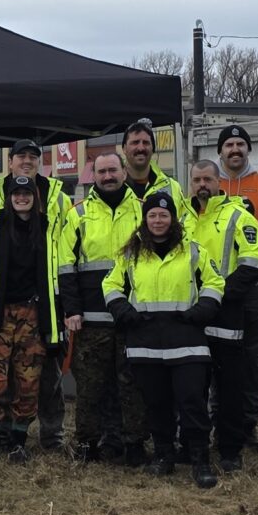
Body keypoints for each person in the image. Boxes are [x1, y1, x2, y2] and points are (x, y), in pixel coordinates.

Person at [0, 141, 77, 449]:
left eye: (33, 157)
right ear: (10, 161)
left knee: (36, 380)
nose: (27, 161)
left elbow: (68, 253)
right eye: (21, 156)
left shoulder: (59, 203)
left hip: (40, 311)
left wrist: (68, 305)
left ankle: (27, 438)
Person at [103, 193, 221, 488]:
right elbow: (111, 284)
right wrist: (123, 311)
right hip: (146, 343)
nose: (158, 220)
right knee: (156, 403)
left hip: (187, 341)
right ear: (145, 219)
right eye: (152, 215)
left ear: (173, 219)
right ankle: (163, 455)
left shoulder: (192, 250)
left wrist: (203, 310)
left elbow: (215, 282)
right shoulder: (129, 254)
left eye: (163, 215)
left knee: (192, 402)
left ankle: (199, 459)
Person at [64, 149, 148, 466]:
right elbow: (65, 266)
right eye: (102, 172)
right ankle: (88, 443)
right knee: (90, 386)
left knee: (132, 384)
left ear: (124, 173)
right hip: (91, 318)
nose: (108, 176)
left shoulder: (143, 211)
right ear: (93, 176)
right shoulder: (78, 213)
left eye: (113, 170)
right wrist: (72, 310)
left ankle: (133, 442)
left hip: (132, 316)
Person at [186, 159, 258, 472]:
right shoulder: (183, 216)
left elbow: (252, 264)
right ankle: (194, 445)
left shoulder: (238, 215)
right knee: (193, 386)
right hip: (191, 316)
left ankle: (230, 449)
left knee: (230, 385)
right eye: (196, 179)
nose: (202, 184)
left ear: (219, 181)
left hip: (226, 313)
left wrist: (217, 295)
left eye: (207, 178)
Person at [213, 125, 258, 230]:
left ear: (249, 150)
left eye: (240, 144)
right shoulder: (207, 187)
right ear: (220, 152)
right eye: (229, 145)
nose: (235, 149)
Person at [121, 120, 186, 215]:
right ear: (124, 149)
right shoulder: (110, 186)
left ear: (153, 149)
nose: (141, 148)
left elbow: (182, 226)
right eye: (135, 142)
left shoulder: (172, 188)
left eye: (146, 143)